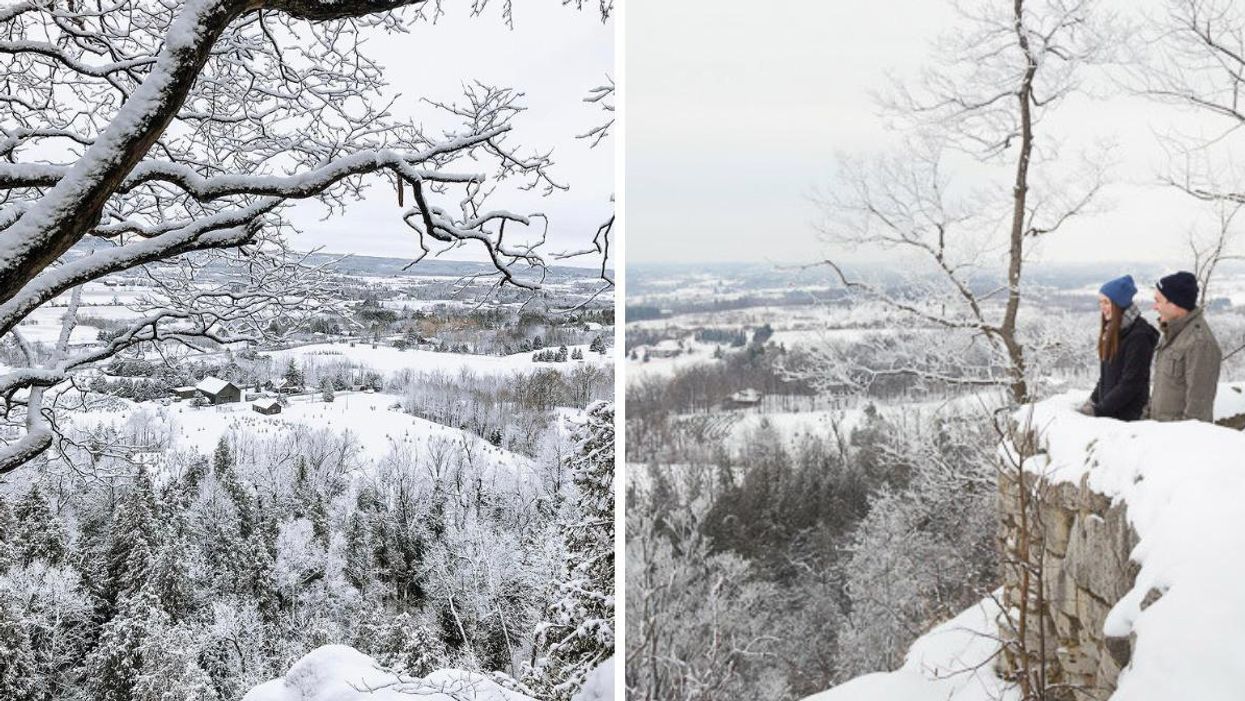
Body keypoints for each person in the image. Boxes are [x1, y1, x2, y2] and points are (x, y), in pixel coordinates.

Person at [1079, 275, 1157, 420]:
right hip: (1112, 414)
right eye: (1100, 302)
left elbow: (1130, 383)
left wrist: (1100, 410)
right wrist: (1092, 402)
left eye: (1107, 302)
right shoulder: (1114, 332)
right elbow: (1106, 377)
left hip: (1129, 418)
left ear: (1119, 304)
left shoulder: (1138, 336)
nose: (1102, 307)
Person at [1148, 271, 1222, 422]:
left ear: (1175, 304)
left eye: (1158, 301)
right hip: (1158, 435)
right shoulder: (1172, 334)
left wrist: (1183, 442)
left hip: (1178, 441)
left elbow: (1198, 410)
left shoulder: (1200, 344)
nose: (1154, 307)